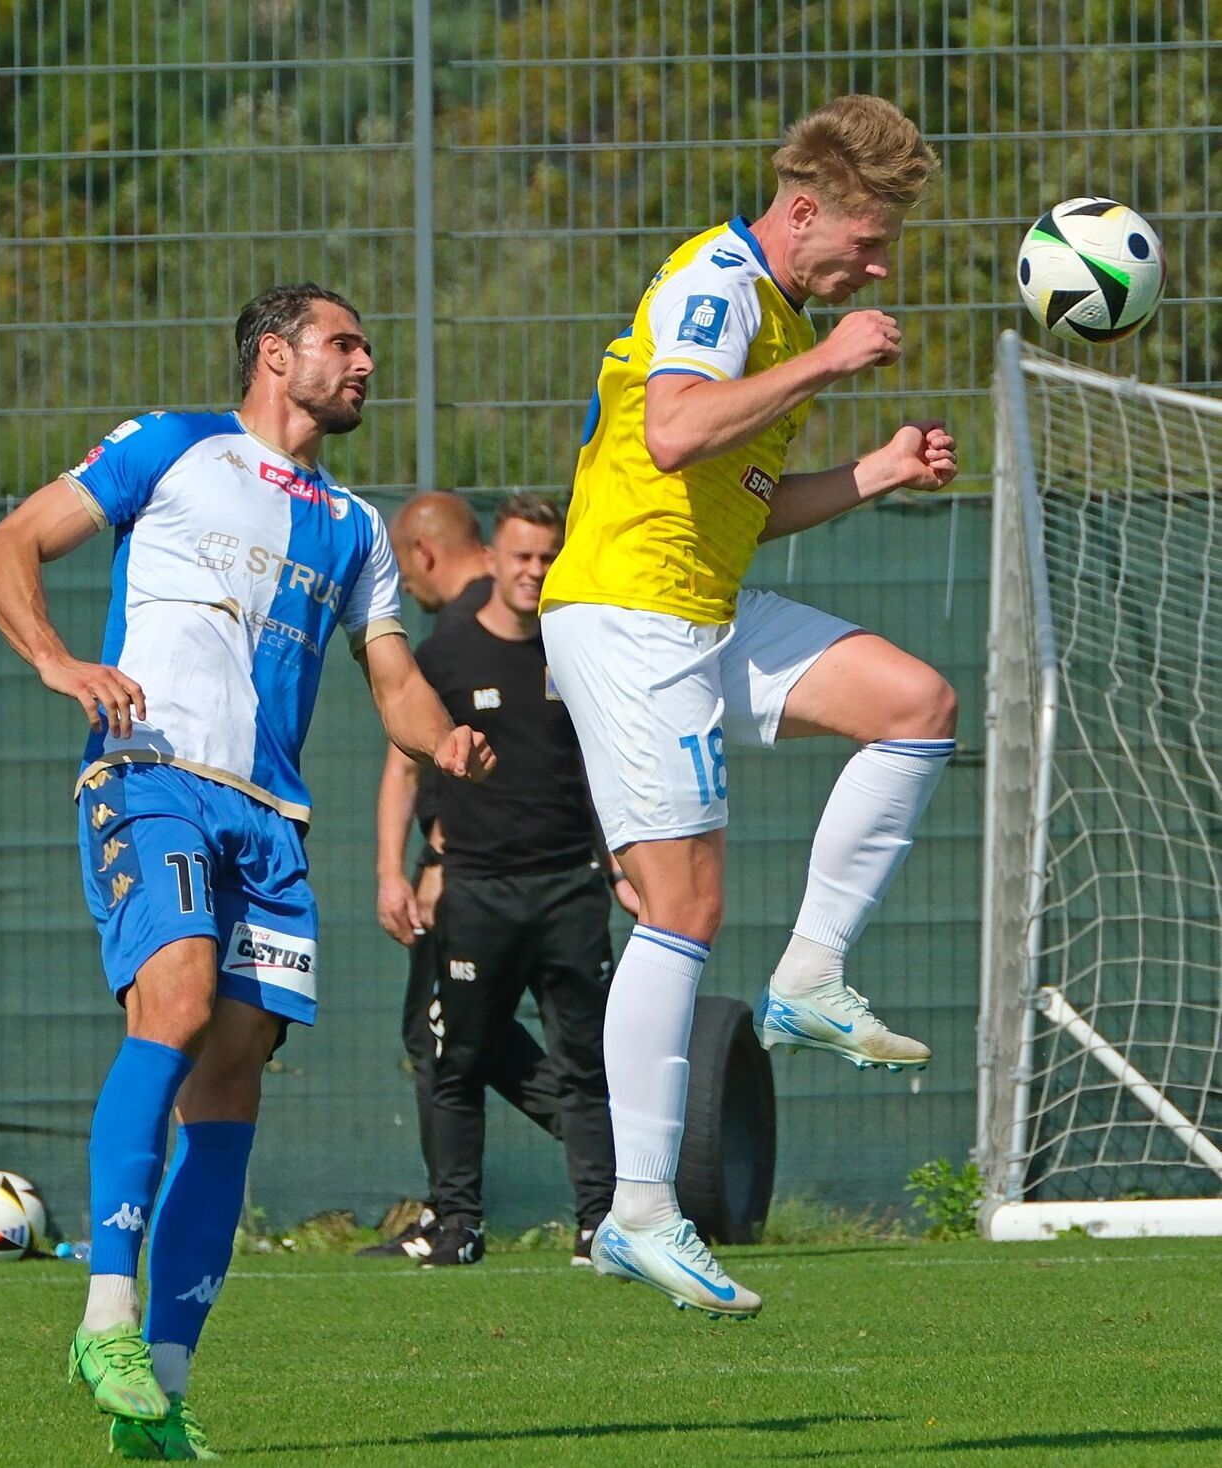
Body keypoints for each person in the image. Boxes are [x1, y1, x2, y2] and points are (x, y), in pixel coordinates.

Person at [0, 283, 494, 1460]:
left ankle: (158, 1395)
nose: (366, 364)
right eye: (344, 343)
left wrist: (440, 736)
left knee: (236, 1079)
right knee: (181, 997)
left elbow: (393, 677)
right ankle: (103, 1313)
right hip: (152, 775)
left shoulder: (358, 528)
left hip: (272, 820)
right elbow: (4, 547)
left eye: (367, 348)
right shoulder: (171, 449)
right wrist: (56, 660)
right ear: (275, 353)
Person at [538, 94, 958, 1319]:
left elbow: (740, 502)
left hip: (702, 602)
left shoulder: (775, 317)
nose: (876, 267)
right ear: (806, 207)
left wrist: (871, 473)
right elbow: (672, 434)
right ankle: (640, 1209)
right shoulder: (718, 288)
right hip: (631, 613)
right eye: (868, 243)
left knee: (916, 701)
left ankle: (812, 978)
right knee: (684, 904)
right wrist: (830, 360)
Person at [372, 492, 635, 1269]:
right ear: (493, 558)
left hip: (568, 889)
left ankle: (601, 1226)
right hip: (477, 893)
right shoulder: (446, 652)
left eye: (548, 558)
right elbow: (401, 765)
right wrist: (396, 870)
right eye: (522, 556)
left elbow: (607, 767)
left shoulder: (579, 646)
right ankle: (457, 1225)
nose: (534, 571)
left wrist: (620, 864)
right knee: (453, 1060)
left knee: (586, 1062)